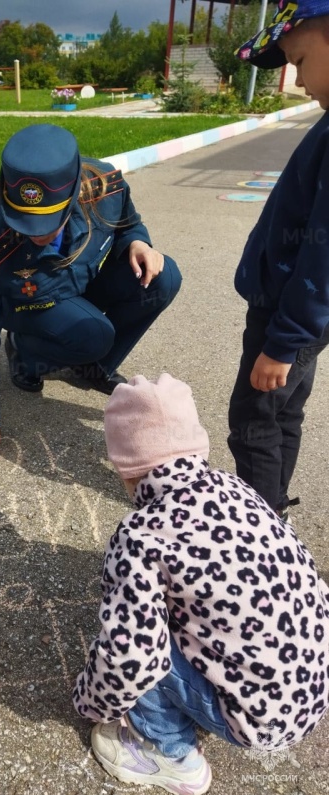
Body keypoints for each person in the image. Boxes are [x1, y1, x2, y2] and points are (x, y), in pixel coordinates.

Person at [74, 373, 329, 795]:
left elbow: (131, 655)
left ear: (126, 468)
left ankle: (171, 755)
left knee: (137, 643)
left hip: (262, 720)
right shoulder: (238, 488)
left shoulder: (141, 535)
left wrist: (91, 702)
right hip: (314, 684)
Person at [0, 123, 182, 466]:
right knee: (94, 334)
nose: (37, 235)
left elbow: (128, 223)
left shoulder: (105, 186)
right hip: (33, 308)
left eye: (50, 222)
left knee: (163, 279)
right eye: (25, 223)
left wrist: (138, 243)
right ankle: (25, 354)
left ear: (76, 193)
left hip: (80, 285)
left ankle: (92, 367)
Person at [228, 0, 329, 521]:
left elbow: (323, 255)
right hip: (301, 316)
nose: (298, 78)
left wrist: (283, 342)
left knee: (253, 423)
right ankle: (275, 518)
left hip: (288, 315)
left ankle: (259, 533)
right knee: (284, 414)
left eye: (301, 59)